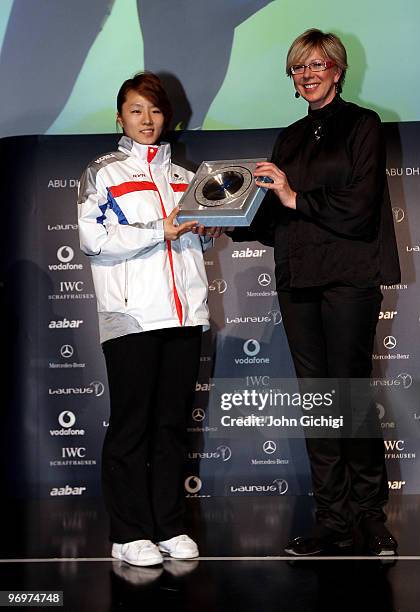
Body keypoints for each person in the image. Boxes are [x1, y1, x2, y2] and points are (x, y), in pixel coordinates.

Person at [230, 29, 400, 556]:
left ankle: (369, 517)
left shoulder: (364, 125)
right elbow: (276, 214)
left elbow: (358, 206)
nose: (306, 75)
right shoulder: (289, 138)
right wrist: (223, 221)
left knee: (349, 396)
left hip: (349, 279)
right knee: (319, 402)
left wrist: (292, 193)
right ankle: (332, 518)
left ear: (337, 69)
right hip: (299, 279)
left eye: (316, 64)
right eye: (297, 68)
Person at [78, 71, 221, 566]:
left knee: (171, 426)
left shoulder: (186, 177)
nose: (146, 119)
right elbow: (95, 240)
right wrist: (160, 228)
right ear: (119, 117)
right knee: (132, 425)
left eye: (155, 110)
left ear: (169, 117)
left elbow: (193, 242)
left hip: (183, 316)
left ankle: (168, 525)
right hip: (132, 316)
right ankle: (127, 531)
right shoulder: (105, 172)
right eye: (136, 110)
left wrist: (203, 232)